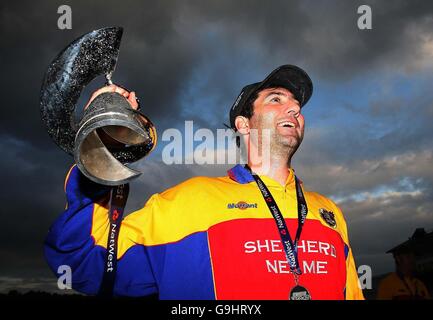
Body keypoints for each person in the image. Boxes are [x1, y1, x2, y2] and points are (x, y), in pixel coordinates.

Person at [44, 65, 364, 300]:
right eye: (277, 99)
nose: (295, 108)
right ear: (243, 124)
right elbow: (83, 261)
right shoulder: (190, 202)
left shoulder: (328, 212)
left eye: (298, 106)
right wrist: (102, 145)